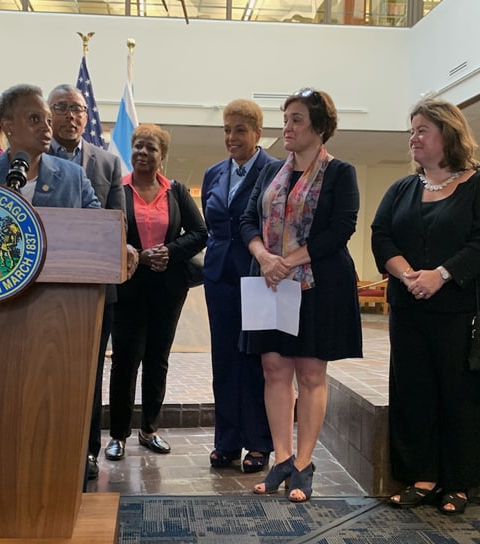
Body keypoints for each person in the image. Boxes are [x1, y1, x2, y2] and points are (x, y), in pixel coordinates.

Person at [371, 98, 480, 515]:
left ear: (448, 134)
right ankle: (422, 477)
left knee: (460, 396)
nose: (413, 138)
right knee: (412, 393)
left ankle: (459, 483)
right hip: (409, 307)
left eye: (422, 130)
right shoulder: (402, 188)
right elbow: (381, 236)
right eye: (411, 130)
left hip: (459, 311)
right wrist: (408, 273)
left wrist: (441, 275)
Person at [239, 88, 362, 503]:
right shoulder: (269, 172)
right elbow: (245, 220)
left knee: (310, 373)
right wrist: (263, 256)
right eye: (285, 118)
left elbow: (341, 229)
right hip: (271, 279)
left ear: (319, 127)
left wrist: (288, 260)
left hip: (318, 283)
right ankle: (283, 458)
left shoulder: (340, 173)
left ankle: (305, 464)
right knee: (274, 368)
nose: (286, 127)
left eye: (295, 119)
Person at [47, 83, 137, 483]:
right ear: (49, 114)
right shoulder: (33, 160)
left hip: (96, 289)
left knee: (88, 375)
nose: (72, 115)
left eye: (78, 108)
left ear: (87, 115)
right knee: (47, 371)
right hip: (45, 288)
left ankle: (85, 451)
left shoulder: (106, 163)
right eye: (63, 107)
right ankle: (49, 447)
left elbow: (117, 223)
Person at [105, 124, 207, 462]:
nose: (142, 153)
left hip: (167, 287)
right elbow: (105, 231)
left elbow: (200, 232)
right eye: (138, 146)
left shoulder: (175, 191)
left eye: (150, 148)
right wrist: (137, 251)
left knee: (157, 359)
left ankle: (149, 430)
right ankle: (118, 435)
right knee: (124, 361)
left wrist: (171, 251)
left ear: (161, 156)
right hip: (128, 284)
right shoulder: (117, 190)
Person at [201, 99, 278, 473]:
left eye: (240, 130)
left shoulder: (275, 171)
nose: (232, 137)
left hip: (257, 276)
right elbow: (212, 223)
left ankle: (259, 443)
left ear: (258, 133)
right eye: (227, 130)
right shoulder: (214, 172)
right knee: (224, 360)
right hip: (219, 278)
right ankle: (226, 442)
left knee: (255, 360)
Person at [0, 84, 100, 209]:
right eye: (35, 119)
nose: (46, 128)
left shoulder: (74, 176)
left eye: (49, 121)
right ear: (8, 126)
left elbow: (99, 225)